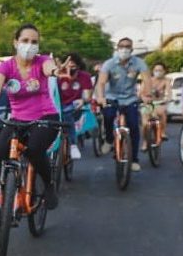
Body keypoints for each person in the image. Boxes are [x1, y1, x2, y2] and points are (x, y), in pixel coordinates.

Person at [0, 23, 65, 210]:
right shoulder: (6, 67)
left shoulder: (42, 61)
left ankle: (48, 186)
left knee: (33, 150)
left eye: (34, 42)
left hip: (45, 118)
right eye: (25, 40)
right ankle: (4, 193)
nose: (29, 45)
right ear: (15, 42)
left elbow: (50, 68)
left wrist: (56, 72)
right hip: (17, 119)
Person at [95, 37, 152, 172]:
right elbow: (101, 82)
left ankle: (134, 160)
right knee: (108, 116)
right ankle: (109, 140)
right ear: (117, 48)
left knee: (134, 126)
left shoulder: (139, 63)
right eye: (122, 46)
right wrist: (101, 97)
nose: (124, 49)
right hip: (111, 97)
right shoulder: (109, 63)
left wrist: (147, 95)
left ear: (132, 50)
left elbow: (147, 79)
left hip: (130, 98)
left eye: (127, 47)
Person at [57, 52, 92, 159]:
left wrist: (83, 100)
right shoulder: (57, 76)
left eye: (73, 66)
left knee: (68, 114)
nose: (70, 68)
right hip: (58, 107)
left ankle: (73, 145)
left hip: (75, 107)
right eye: (68, 65)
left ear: (78, 66)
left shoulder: (84, 76)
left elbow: (87, 95)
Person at [140, 62, 169, 151]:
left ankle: (163, 133)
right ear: (153, 71)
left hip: (159, 103)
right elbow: (141, 93)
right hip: (147, 105)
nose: (158, 72)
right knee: (145, 124)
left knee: (162, 113)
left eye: (160, 70)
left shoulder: (166, 81)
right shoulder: (147, 80)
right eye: (156, 70)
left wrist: (167, 98)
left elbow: (168, 92)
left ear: (164, 71)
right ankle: (145, 142)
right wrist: (144, 99)